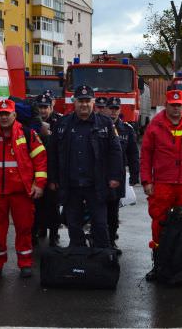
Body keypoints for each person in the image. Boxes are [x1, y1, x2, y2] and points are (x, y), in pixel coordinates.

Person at [0, 99, 47, 279]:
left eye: (7, 114)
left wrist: (39, 185)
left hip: (22, 193)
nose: (4, 117)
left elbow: (41, 161)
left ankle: (25, 263)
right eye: (1, 114)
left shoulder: (28, 134)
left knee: (24, 228)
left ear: (14, 115)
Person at [140, 89, 182, 281]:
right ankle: (159, 265)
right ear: (166, 104)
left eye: (179, 105)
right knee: (159, 223)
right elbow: (146, 155)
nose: (176, 108)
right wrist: (147, 181)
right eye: (173, 105)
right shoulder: (155, 125)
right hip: (163, 183)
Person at [48, 85, 123, 250]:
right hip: (71, 184)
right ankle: (78, 257)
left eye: (87, 101)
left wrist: (115, 177)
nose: (84, 104)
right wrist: (53, 178)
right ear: (74, 102)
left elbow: (115, 152)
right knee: (73, 224)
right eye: (80, 101)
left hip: (96, 184)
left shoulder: (106, 124)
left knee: (100, 224)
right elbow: (52, 153)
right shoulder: (63, 124)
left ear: (93, 102)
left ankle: (103, 258)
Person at [106, 96, 140, 253]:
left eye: (115, 109)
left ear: (119, 110)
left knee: (113, 211)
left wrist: (134, 175)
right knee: (97, 209)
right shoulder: (98, 126)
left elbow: (133, 154)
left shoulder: (127, 129)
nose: (113, 112)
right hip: (99, 175)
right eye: (110, 109)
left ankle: (111, 241)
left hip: (117, 175)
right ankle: (98, 239)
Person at [33, 93, 63, 247]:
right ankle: (39, 230)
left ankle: (54, 234)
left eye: (46, 107)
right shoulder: (33, 123)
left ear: (52, 107)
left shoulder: (60, 121)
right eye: (40, 107)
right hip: (35, 171)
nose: (43, 111)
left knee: (53, 205)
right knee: (36, 205)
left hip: (52, 171)